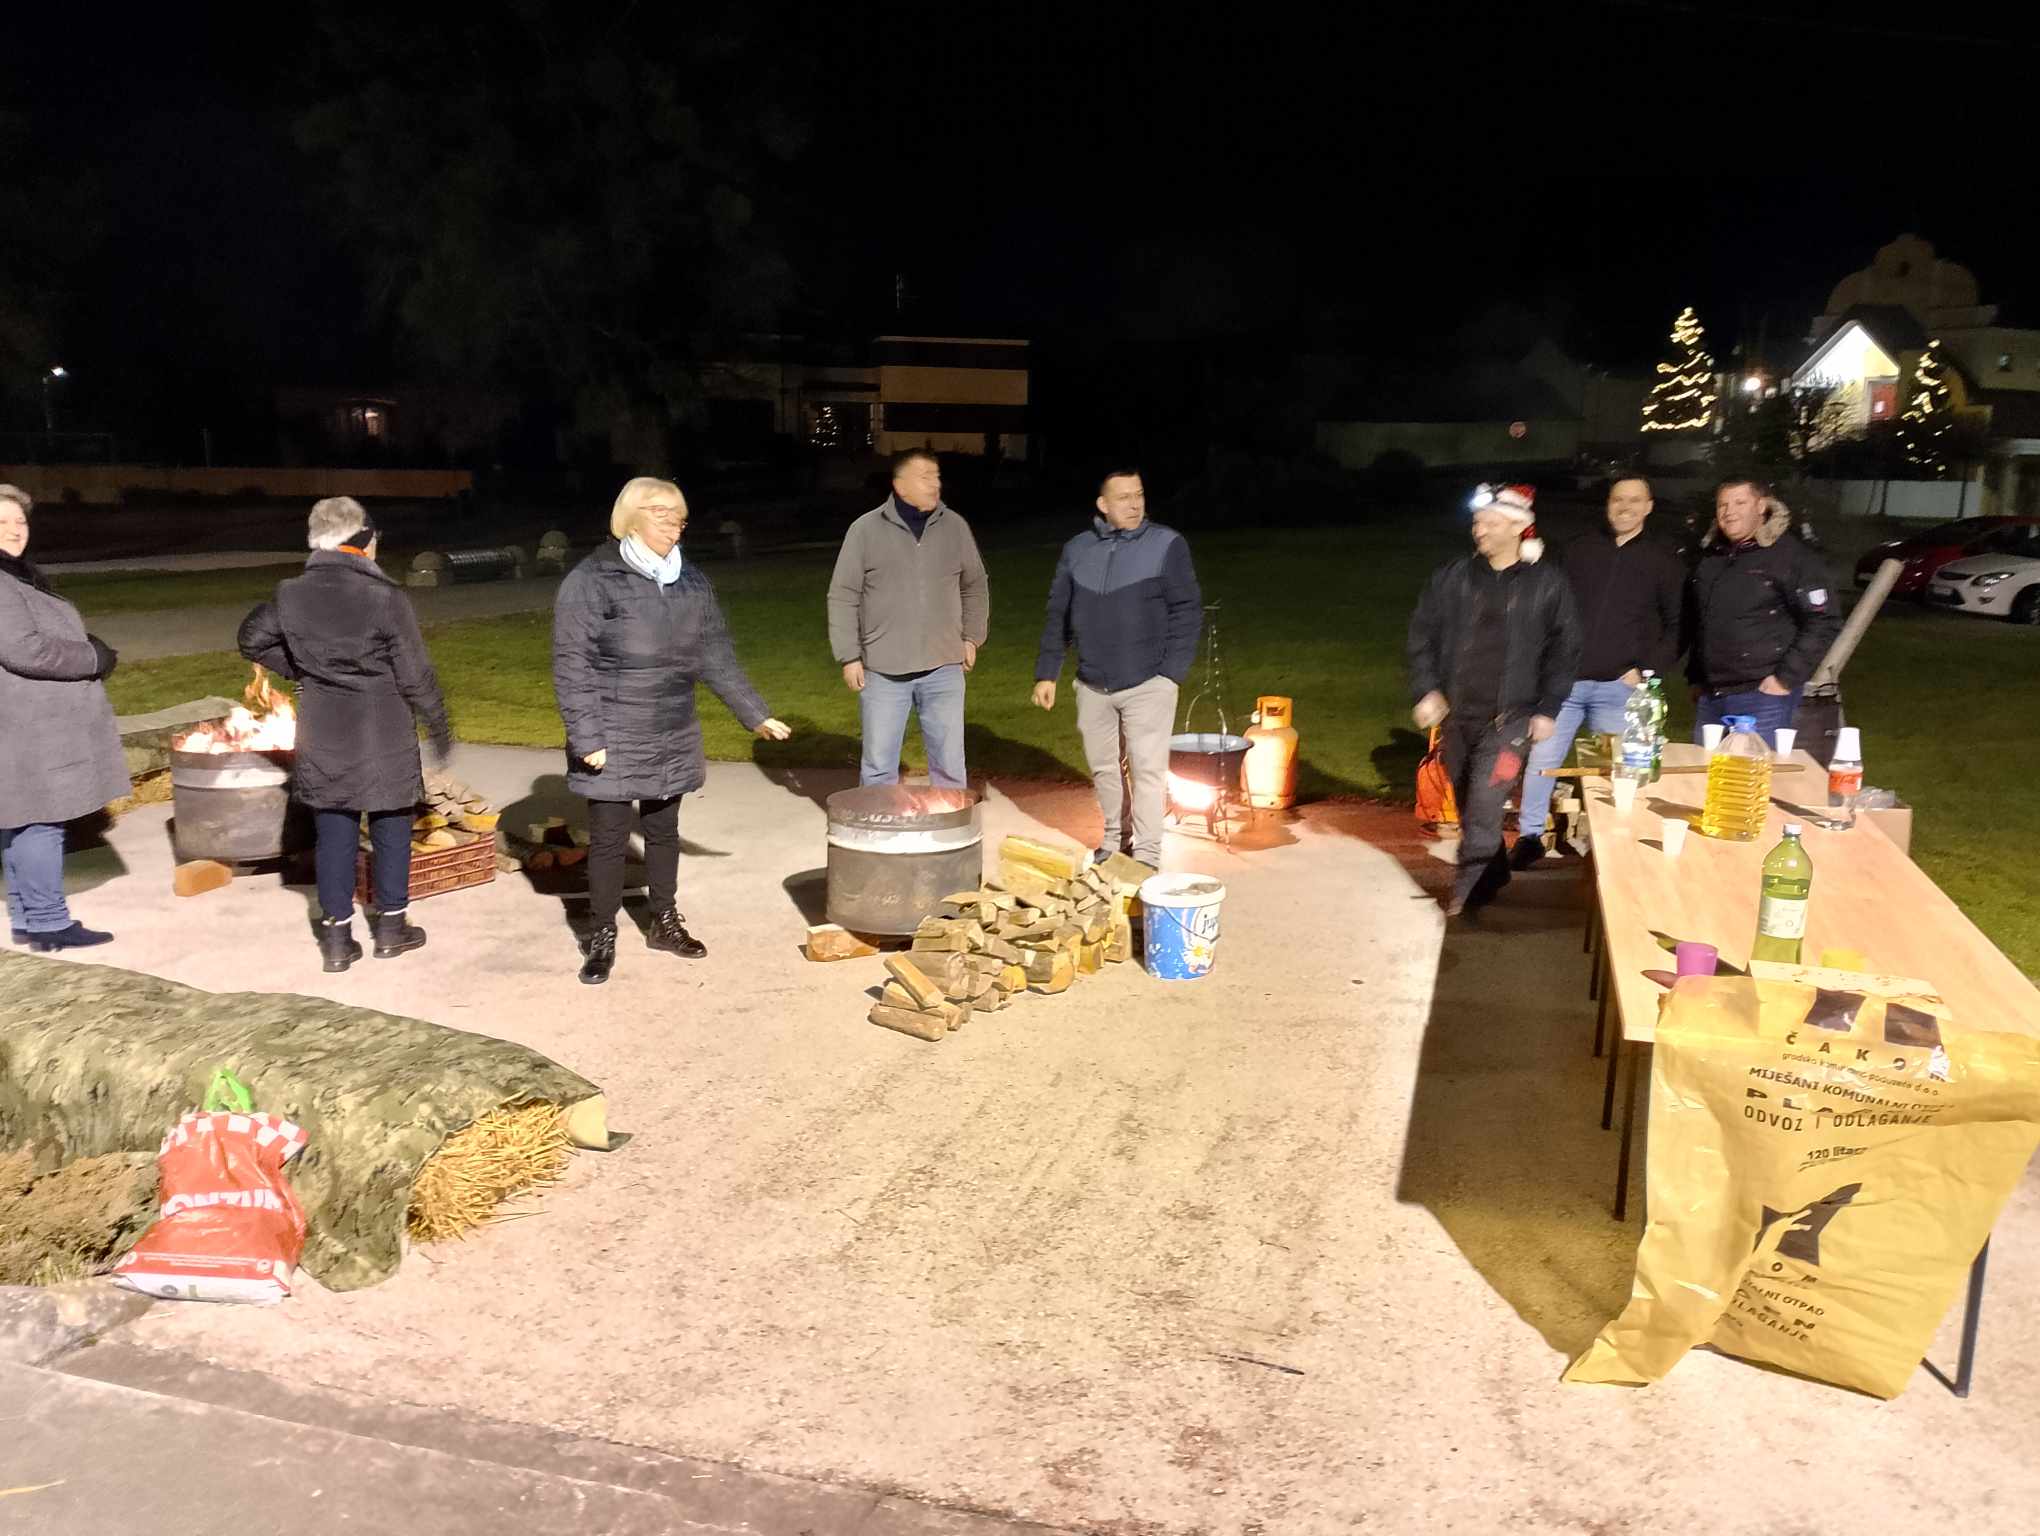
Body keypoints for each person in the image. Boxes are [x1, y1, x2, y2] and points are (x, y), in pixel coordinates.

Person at [553, 477, 790, 986]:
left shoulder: (691, 581)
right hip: (612, 731)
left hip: (671, 727)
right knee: (611, 840)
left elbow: (715, 654)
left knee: (663, 833)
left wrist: (755, 713)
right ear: (632, 517)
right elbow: (572, 664)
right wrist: (587, 737)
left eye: (679, 515)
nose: (675, 523)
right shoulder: (593, 579)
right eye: (662, 513)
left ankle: (665, 921)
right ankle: (601, 936)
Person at [240, 498, 451, 973]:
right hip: (383, 730)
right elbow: (415, 674)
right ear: (363, 541)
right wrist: (440, 726)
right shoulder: (385, 597)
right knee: (392, 829)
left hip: (325, 731)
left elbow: (251, 638)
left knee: (334, 834)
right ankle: (392, 931)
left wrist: (308, 670)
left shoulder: (291, 593)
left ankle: (337, 941)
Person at [1407, 484, 1582, 917]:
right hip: (1457, 719)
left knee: (1485, 806)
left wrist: (1547, 709)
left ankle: (1468, 895)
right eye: (1476, 522)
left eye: (1489, 523)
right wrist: (1427, 687)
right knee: (1469, 806)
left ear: (1518, 527)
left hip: (1512, 721)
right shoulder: (1452, 578)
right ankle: (1494, 869)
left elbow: (1566, 648)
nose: (1478, 530)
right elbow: (1421, 635)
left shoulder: (1547, 583)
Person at [1513, 472, 1684, 869]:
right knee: (1543, 760)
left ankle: (1612, 844)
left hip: (1620, 686)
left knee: (1620, 771)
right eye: (1617, 500)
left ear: (1649, 506)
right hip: (1566, 685)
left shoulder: (1663, 560)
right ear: (1608, 504)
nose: (1624, 508)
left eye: (1634, 500)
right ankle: (1530, 836)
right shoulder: (1578, 550)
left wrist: (1646, 670)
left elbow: (1678, 625)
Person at [1032, 468, 1202, 866]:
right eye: (1123, 497)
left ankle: (1147, 854)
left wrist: (1170, 673)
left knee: (1147, 770)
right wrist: (1047, 671)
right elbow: (1058, 612)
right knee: (1105, 769)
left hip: (1149, 683)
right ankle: (1114, 840)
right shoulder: (1077, 549)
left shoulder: (1166, 544)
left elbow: (1187, 609)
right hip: (1092, 684)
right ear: (1102, 505)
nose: (1134, 503)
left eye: (1139, 494)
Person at [0, 484, 127, 951]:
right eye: (2, 523)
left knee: (20, 820)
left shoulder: (16, 576)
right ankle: (49, 923)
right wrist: (92, 657)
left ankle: (29, 920)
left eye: (20, 521)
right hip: (30, 725)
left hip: (25, 722)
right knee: (41, 821)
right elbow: (23, 649)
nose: (14, 531)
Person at [827, 450, 989, 788]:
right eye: (925, 477)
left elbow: (974, 584)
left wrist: (972, 636)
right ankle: (877, 833)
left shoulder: (955, 526)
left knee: (949, 765)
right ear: (900, 486)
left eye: (937, 476)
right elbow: (843, 595)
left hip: (944, 666)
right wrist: (849, 655)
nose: (935, 483)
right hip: (883, 670)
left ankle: (949, 833)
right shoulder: (865, 530)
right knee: (878, 767)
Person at [1686, 476, 1841, 748]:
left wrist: (1785, 678)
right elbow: (1701, 621)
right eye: (1722, 505)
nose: (1729, 512)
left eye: (1739, 502)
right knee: (1703, 778)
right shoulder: (1712, 557)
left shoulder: (1791, 557)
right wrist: (1697, 677)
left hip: (1761, 695)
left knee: (1750, 781)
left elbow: (1823, 620)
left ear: (1761, 506)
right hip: (1711, 696)